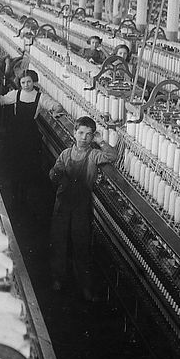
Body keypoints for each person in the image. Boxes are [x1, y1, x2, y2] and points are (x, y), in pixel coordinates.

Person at [48, 116, 117, 301]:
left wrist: (101, 141)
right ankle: (58, 279)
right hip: (62, 203)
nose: (84, 138)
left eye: (89, 135)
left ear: (92, 136)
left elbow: (112, 156)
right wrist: (55, 174)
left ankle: (85, 286)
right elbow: (53, 174)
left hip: (80, 205)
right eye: (81, 133)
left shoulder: (94, 155)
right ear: (74, 133)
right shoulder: (65, 154)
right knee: (59, 242)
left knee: (81, 245)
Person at [0, 70, 62, 203]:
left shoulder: (40, 97)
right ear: (19, 83)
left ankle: (24, 195)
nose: (26, 85)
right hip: (15, 134)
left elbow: (57, 106)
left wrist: (55, 112)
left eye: (29, 82)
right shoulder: (16, 94)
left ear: (34, 81)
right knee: (12, 163)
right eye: (23, 82)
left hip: (30, 135)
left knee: (27, 165)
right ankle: (11, 193)